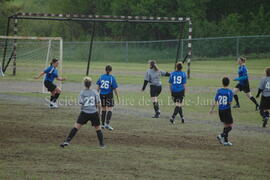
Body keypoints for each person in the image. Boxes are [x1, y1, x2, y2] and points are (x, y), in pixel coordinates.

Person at [60, 77, 105, 148]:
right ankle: (102, 145)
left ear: (84, 84)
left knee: (76, 127)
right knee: (98, 128)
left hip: (84, 113)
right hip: (94, 113)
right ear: (91, 84)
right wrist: (100, 113)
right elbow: (99, 104)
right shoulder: (95, 92)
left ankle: (67, 141)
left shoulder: (82, 92)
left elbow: (81, 103)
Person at [210, 77, 234, 146]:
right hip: (226, 110)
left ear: (222, 83)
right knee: (230, 126)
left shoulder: (219, 91)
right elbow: (229, 102)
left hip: (220, 110)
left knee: (226, 125)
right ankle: (221, 135)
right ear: (228, 83)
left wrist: (211, 109)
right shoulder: (229, 92)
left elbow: (215, 100)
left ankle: (226, 142)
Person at [96, 65, 119, 131]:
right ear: (111, 70)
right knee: (110, 109)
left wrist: (97, 96)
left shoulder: (101, 77)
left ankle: (102, 125)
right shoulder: (112, 78)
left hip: (101, 95)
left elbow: (98, 88)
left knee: (103, 109)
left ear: (105, 70)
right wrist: (117, 97)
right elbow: (115, 89)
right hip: (109, 95)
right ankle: (107, 124)